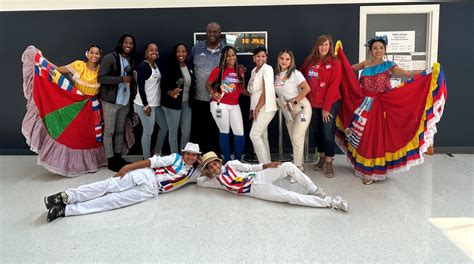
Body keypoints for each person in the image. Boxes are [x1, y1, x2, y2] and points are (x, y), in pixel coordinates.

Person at [335, 36, 447, 184]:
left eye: (381, 48)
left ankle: (374, 171)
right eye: (375, 48)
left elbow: (406, 74)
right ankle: (366, 169)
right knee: (365, 137)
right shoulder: (366, 64)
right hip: (365, 105)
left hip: (382, 107)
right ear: (370, 50)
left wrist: (427, 72)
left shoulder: (389, 65)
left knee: (377, 138)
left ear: (384, 50)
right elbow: (347, 70)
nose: (378, 51)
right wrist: (338, 57)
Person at [43, 142, 202, 222]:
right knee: (107, 186)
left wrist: (204, 163)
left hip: (151, 191)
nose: (191, 157)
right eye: (189, 154)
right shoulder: (174, 158)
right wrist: (127, 167)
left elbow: (212, 172)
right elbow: (150, 162)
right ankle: (65, 197)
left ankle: (65, 211)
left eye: (195, 156)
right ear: (184, 153)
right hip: (146, 175)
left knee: (112, 201)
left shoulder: (193, 173)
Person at [21, 45, 107, 177]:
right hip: (77, 104)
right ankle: (72, 165)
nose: (94, 55)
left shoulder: (101, 70)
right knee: (73, 134)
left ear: (100, 56)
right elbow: (57, 70)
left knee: (90, 137)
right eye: (92, 52)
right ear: (87, 53)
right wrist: (42, 60)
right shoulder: (79, 66)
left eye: (97, 53)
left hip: (94, 107)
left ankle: (92, 163)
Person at [197, 151, 348, 211]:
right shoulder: (215, 181)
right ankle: (330, 202)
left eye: (215, 163)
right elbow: (199, 181)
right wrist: (204, 171)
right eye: (211, 167)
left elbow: (250, 167)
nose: (214, 167)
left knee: (288, 165)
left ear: (219, 161)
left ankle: (315, 190)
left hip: (259, 176)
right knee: (290, 197)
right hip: (256, 191)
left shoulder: (231, 164)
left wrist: (267, 165)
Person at [300, 35, 342, 178]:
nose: (324, 47)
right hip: (313, 103)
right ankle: (322, 157)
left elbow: (334, 86)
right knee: (317, 132)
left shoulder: (335, 62)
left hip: (330, 103)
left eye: (326, 45)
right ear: (317, 46)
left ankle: (329, 162)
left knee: (327, 132)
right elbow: (300, 76)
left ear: (330, 46)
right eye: (321, 45)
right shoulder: (309, 61)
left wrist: (326, 108)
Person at [99, 34, 137, 172]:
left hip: (125, 101)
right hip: (110, 101)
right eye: (126, 42)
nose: (128, 45)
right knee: (109, 131)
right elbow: (101, 78)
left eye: (131, 43)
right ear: (121, 43)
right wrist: (121, 79)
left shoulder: (132, 60)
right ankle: (110, 160)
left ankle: (118, 157)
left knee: (120, 131)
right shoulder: (110, 58)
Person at [206, 46, 247, 162]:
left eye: (233, 55)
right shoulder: (218, 70)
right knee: (224, 131)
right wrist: (213, 93)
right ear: (224, 57)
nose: (231, 58)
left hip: (234, 105)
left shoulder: (239, 70)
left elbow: (242, 89)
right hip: (220, 105)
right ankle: (228, 161)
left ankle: (237, 162)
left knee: (239, 132)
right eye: (228, 55)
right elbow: (208, 85)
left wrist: (255, 93)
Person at [274, 49, 312, 173]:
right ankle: (298, 165)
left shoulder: (295, 73)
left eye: (287, 59)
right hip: (288, 112)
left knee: (297, 137)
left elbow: (306, 89)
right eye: (282, 58)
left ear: (291, 62)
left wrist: (294, 101)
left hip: (302, 108)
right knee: (294, 139)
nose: (284, 61)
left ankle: (297, 168)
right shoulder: (276, 76)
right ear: (278, 59)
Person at [189, 22, 224, 154]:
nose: (212, 34)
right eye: (209, 31)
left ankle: (215, 157)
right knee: (200, 130)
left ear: (220, 33)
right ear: (205, 32)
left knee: (216, 129)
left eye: (215, 31)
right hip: (199, 98)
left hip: (219, 99)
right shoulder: (197, 48)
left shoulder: (225, 49)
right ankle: (201, 158)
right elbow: (189, 66)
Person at [133, 43, 168, 159]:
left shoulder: (155, 66)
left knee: (164, 127)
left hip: (155, 105)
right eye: (151, 50)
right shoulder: (143, 67)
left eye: (156, 50)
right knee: (148, 132)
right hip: (146, 105)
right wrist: (145, 105)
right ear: (146, 53)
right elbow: (141, 87)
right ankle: (146, 159)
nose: (154, 52)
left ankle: (157, 152)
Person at [161, 43, 195, 153]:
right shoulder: (169, 66)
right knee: (173, 131)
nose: (181, 54)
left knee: (186, 131)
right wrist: (171, 92)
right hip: (172, 104)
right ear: (175, 53)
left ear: (187, 53)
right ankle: (175, 157)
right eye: (178, 51)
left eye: (183, 51)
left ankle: (183, 156)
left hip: (186, 103)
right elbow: (163, 84)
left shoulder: (189, 65)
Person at [248, 46, 277, 164]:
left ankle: (265, 165)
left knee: (254, 135)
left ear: (266, 58)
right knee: (262, 136)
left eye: (263, 56)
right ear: (253, 58)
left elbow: (266, 90)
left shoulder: (267, 68)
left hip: (266, 107)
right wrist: (252, 109)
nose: (260, 58)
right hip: (257, 108)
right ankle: (267, 163)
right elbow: (252, 92)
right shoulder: (253, 71)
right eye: (258, 56)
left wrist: (258, 107)